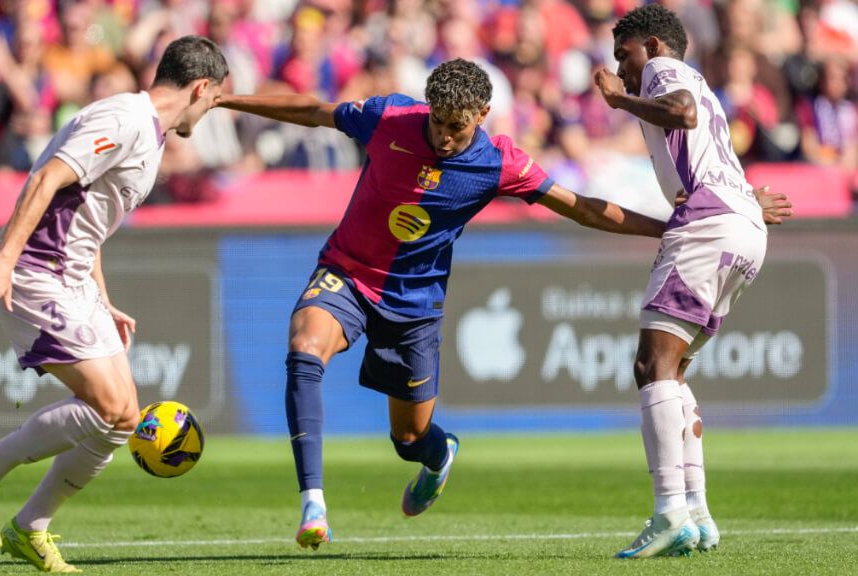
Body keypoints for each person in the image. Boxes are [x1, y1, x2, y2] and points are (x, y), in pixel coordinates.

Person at [218, 58, 675, 551]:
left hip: (414, 306)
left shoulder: (501, 164)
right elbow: (314, 111)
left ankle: (440, 455)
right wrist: (224, 100)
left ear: (482, 113)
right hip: (347, 272)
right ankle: (314, 504)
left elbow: (582, 208)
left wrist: (668, 229)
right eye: (436, 122)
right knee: (304, 350)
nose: (443, 137)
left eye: (456, 127)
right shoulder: (390, 117)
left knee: (409, 440)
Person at [0, 36, 227, 573]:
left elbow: (89, 224)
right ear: (201, 88)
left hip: (73, 281)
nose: (212, 110)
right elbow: (48, 178)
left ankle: (31, 527)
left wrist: (102, 296)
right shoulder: (123, 120)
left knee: (120, 422)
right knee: (117, 409)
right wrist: (5, 260)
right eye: (214, 101)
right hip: (36, 273)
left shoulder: (150, 133)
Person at [593, 4, 790, 558]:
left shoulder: (666, 72)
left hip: (707, 225)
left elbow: (679, 114)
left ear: (653, 45)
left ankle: (670, 512)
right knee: (673, 370)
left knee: (650, 364)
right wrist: (748, 201)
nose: (624, 70)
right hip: (743, 226)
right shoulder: (703, 87)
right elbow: (707, 146)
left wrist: (618, 99)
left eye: (625, 56)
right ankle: (697, 513)